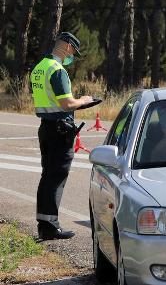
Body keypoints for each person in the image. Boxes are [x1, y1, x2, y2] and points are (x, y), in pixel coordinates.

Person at [30, 32, 93, 240]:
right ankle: (50, 226)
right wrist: (83, 100)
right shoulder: (57, 70)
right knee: (56, 177)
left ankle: (45, 224)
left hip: (46, 127)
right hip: (60, 130)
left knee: (47, 175)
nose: (73, 55)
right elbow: (66, 103)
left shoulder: (40, 67)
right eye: (73, 51)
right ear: (66, 47)